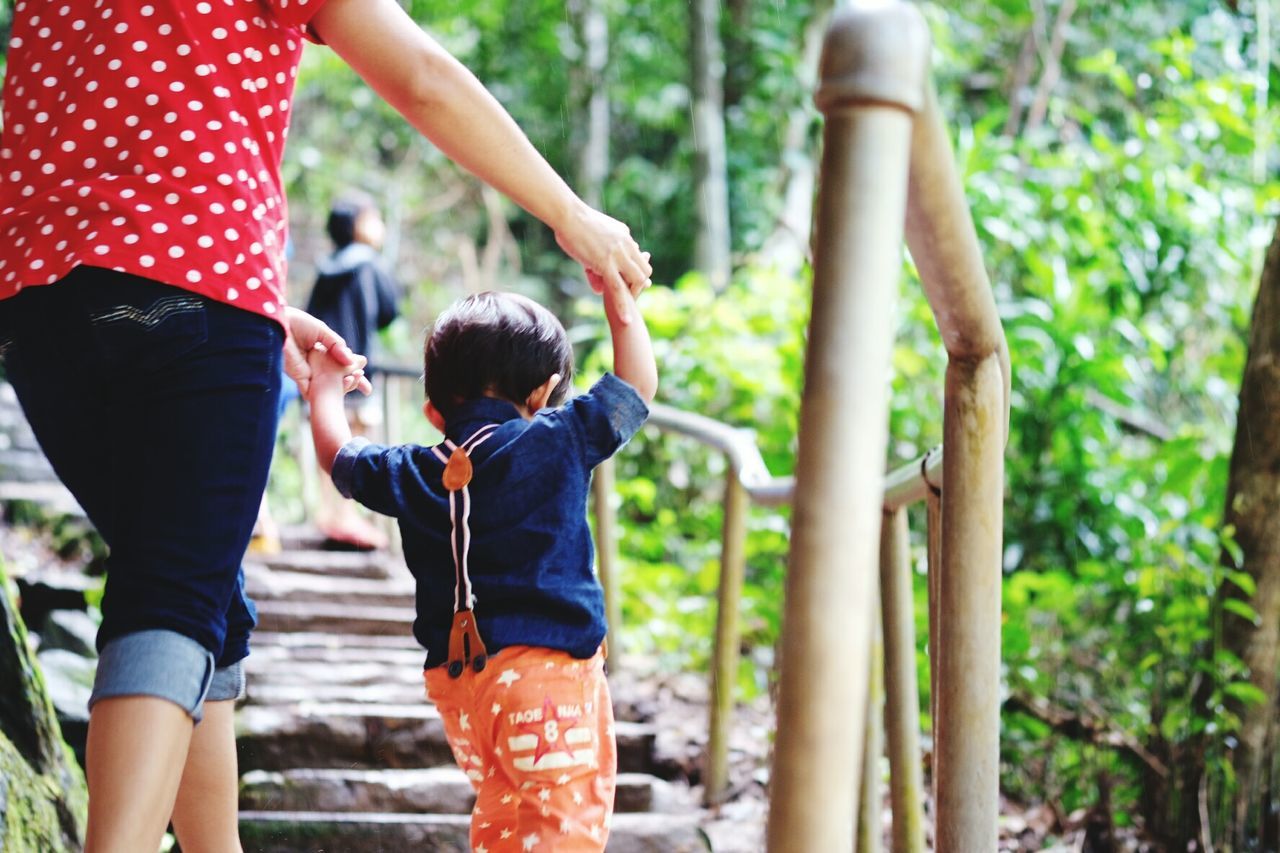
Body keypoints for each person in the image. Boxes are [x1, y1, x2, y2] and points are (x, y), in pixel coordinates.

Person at [0, 2, 652, 851]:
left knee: (199, 583)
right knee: (174, 593)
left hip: (36, 304)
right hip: (196, 284)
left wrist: (272, 315)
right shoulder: (559, 438)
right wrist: (573, 214)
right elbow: (418, 75)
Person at [306, 285, 657, 850]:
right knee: (563, 823)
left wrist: (324, 385)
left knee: (505, 816)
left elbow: (339, 457)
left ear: (433, 411)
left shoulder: (413, 470)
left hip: (460, 691)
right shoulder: (558, 438)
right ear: (542, 395)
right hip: (548, 680)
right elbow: (636, 387)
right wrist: (619, 297)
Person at [307, 195, 401, 549]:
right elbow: (390, 311)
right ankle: (349, 518)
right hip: (357, 370)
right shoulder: (369, 264)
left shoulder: (325, 267)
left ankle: (330, 515)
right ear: (360, 224)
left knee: (327, 439)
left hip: (324, 373)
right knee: (357, 439)